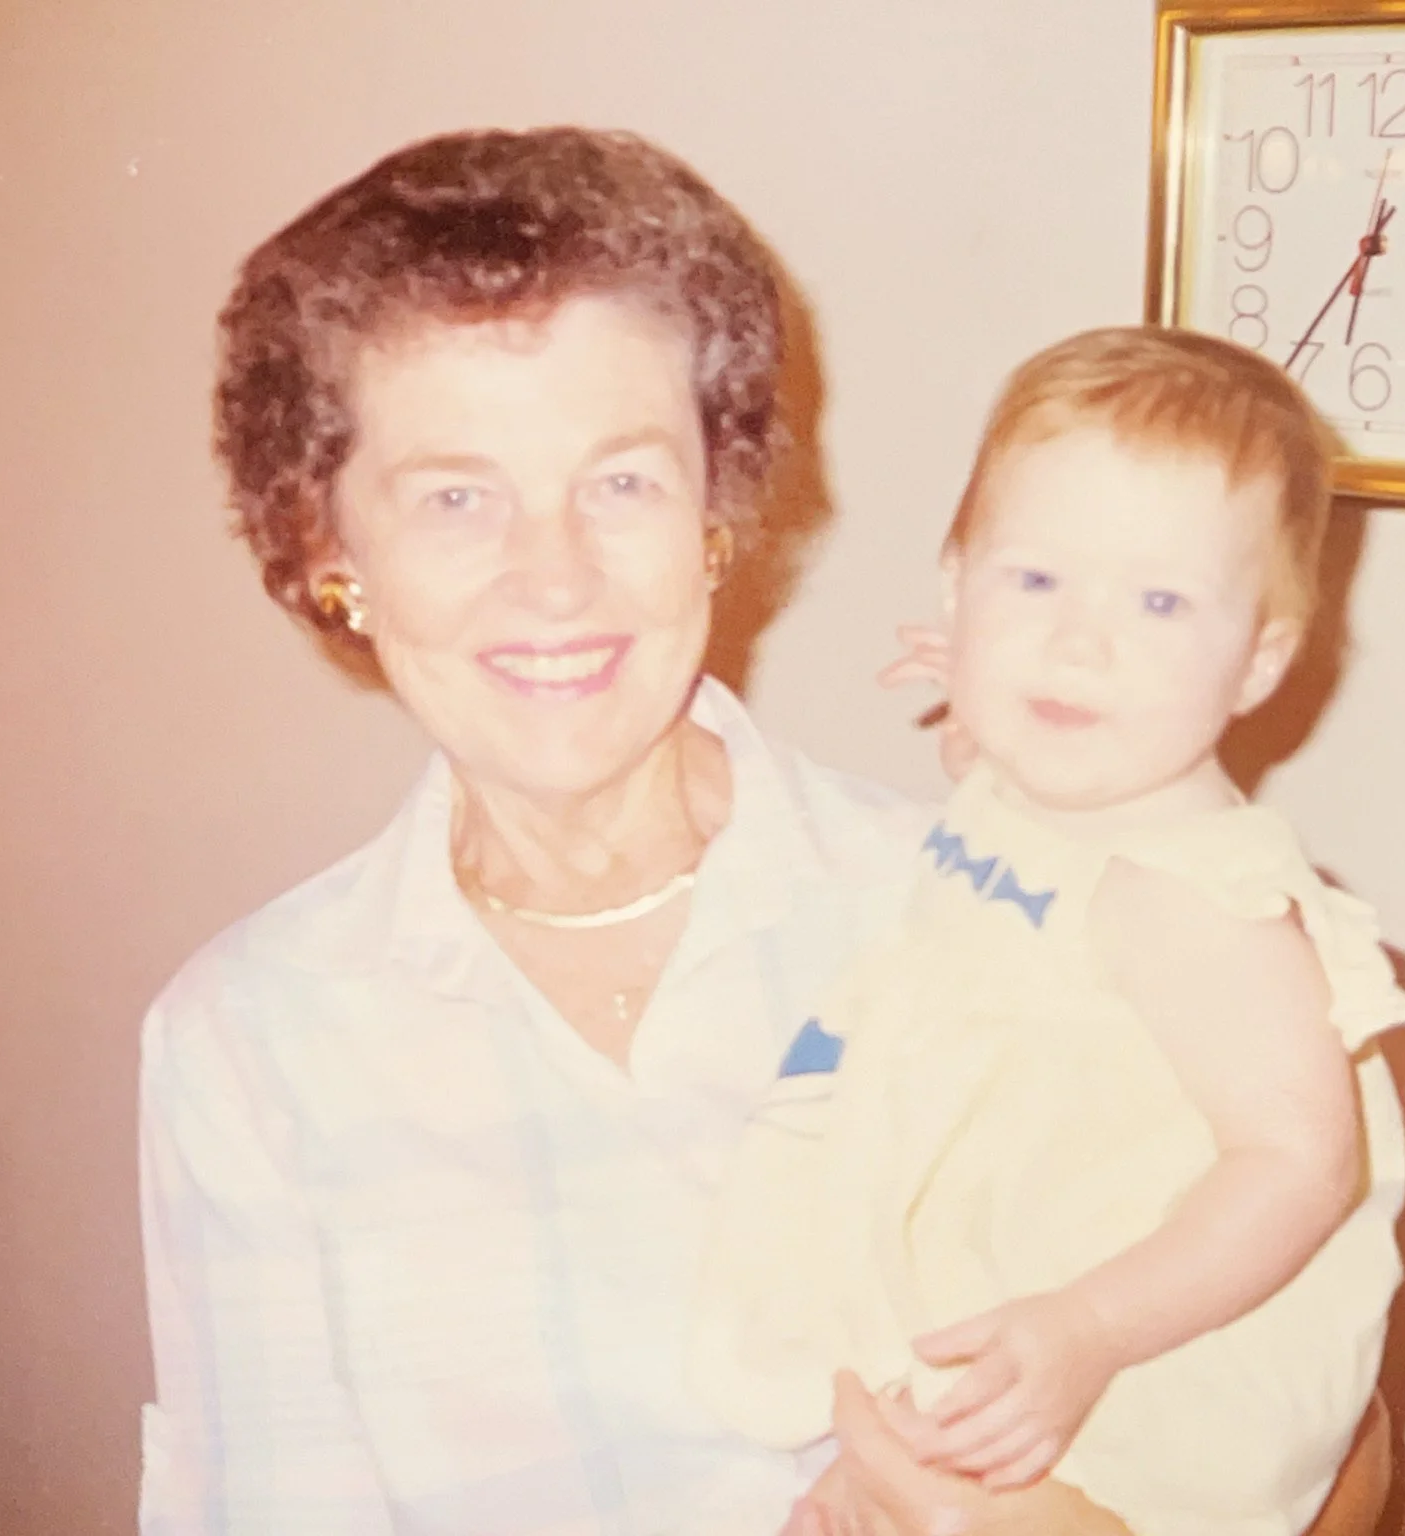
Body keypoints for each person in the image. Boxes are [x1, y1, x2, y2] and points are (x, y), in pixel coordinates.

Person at [137, 126, 1137, 1536]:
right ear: (328, 551)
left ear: (715, 510)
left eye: (621, 482)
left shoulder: (986, 916)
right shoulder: (252, 1043)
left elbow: (1318, 1439)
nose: (555, 579)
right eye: (456, 497)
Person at [693, 328, 1405, 1536]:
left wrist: (1091, 1329)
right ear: (954, 585)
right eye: (1033, 583)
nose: (1081, 644)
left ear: (1257, 661)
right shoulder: (1052, 789)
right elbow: (1012, 849)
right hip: (1012, 1288)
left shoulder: (1190, 896)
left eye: (1160, 602)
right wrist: (985, 719)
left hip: (1152, 1341)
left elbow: (1300, 1167)